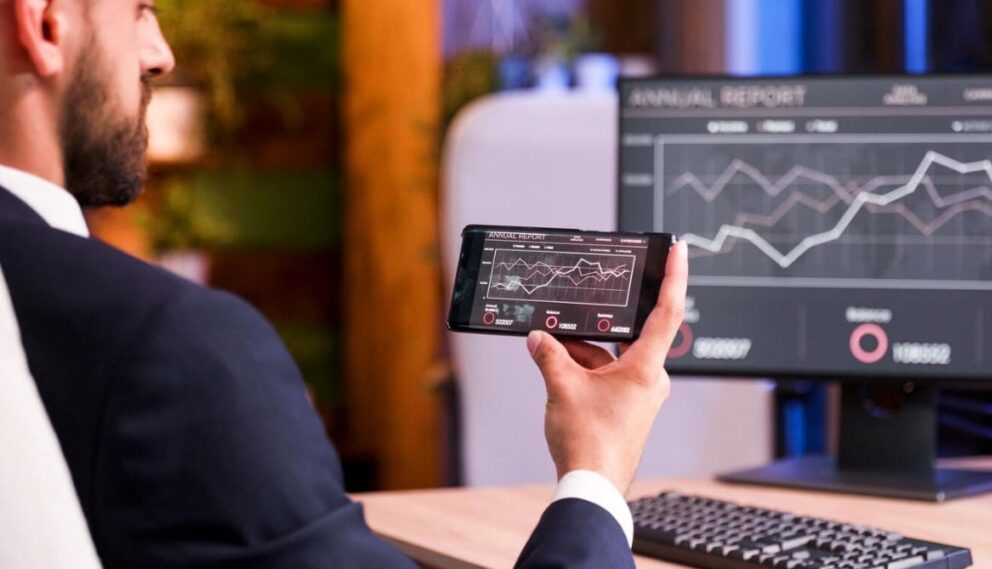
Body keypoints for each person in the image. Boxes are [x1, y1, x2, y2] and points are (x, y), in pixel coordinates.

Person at [0, 0, 690, 567]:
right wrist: (596, 472)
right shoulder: (169, 347)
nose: (160, 53)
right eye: (140, 11)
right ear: (44, 22)